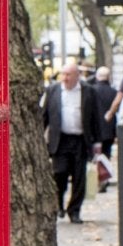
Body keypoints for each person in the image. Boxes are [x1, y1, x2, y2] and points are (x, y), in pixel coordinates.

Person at [42, 61, 106, 222]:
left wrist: (97, 142)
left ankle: (74, 210)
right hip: (60, 140)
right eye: (63, 74)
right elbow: (44, 116)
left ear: (77, 76)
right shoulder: (52, 91)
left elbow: (95, 118)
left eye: (69, 74)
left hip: (80, 141)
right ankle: (58, 206)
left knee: (79, 178)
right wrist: (40, 137)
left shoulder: (88, 92)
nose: (65, 78)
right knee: (59, 174)